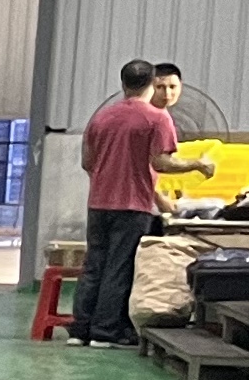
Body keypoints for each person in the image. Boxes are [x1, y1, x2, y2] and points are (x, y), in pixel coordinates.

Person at [77, 59, 182, 345]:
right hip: (133, 206)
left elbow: (87, 162)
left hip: (98, 203)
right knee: (119, 268)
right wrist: (198, 164)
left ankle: (80, 330)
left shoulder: (101, 117)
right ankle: (105, 332)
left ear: (123, 83)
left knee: (94, 266)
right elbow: (161, 162)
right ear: (152, 84)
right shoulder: (157, 118)